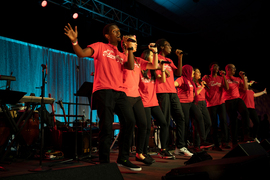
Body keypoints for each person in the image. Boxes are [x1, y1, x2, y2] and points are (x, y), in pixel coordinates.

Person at [64, 23, 141, 171]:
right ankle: (104, 164)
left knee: (130, 121)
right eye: (114, 31)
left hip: (120, 92)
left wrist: (129, 48)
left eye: (119, 31)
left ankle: (123, 157)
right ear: (107, 35)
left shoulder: (122, 54)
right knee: (106, 127)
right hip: (103, 91)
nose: (118, 33)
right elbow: (81, 53)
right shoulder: (100, 46)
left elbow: (130, 66)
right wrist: (74, 41)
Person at [120, 35, 159, 165]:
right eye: (133, 42)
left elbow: (154, 65)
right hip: (124, 95)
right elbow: (127, 67)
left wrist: (155, 52)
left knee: (144, 124)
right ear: (124, 43)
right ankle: (124, 156)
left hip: (136, 96)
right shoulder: (121, 57)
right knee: (128, 125)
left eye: (136, 42)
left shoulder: (138, 60)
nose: (136, 44)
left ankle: (140, 153)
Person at [155, 39, 193, 157]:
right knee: (165, 121)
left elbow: (178, 73)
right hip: (162, 92)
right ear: (161, 47)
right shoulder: (156, 58)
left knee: (181, 118)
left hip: (172, 91)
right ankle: (164, 149)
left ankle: (180, 146)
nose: (170, 48)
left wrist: (180, 58)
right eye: (168, 45)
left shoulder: (170, 60)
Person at [139, 49, 172, 160]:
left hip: (154, 102)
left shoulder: (153, 71)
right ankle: (143, 152)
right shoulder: (140, 69)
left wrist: (161, 67)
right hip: (144, 102)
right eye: (152, 55)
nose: (154, 57)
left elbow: (163, 79)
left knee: (164, 123)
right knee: (147, 128)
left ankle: (163, 149)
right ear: (147, 56)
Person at [174, 65, 211, 152]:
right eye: (192, 71)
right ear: (187, 71)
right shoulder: (181, 79)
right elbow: (174, 84)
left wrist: (202, 87)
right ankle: (182, 145)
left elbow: (194, 94)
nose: (193, 73)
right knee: (185, 125)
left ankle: (203, 141)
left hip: (191, 103)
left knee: (200, 118)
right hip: (184, 104)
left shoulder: (191, 81)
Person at [202, 63, 230, 151]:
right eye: (215, 66)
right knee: (213, 124)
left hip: (221, 103)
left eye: (218, 66)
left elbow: (227, 88)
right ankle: (216, 144)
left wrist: (224, 76)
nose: (217, 68)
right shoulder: (206, 78)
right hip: (211, 104)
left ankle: (224, 142)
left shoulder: (221, 78)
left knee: (223, 122)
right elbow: (202, 86)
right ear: (210, 68)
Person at [224, 64, 251, 148]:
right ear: (228, 69)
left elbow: (245, 88)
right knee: (233, 121)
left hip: (237, 99)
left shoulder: (237, 79)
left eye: (235, 68)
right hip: (228, 101)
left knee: (245, 112)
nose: (235, 70)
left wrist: (243, 77)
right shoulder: (224, 78)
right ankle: (234, 142)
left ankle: (246, 135)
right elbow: (226, 88)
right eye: (233, 68)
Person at [193, 68, 212, 151]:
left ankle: (202, 140)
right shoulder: (192, 83)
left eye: (200, 71)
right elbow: (194, 94)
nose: (199, 73)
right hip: (196, 103)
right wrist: (202, 87)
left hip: (203, 103)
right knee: (197, 125)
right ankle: (196, 145)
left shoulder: (201, 82)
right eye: (197, 72)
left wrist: (203, 85)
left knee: (208, 123)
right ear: (193, 74)